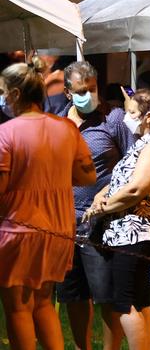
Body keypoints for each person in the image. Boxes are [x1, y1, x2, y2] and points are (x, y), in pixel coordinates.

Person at [0, 62, 96, 349]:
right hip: (58, 228)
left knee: (17, 307)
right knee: (43, 302)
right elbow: (86, 175)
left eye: (3, 91)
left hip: (18, 229)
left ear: (16, 94)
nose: (2, 97)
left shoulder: (6, 133)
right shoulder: (66, 128)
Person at [84, 88, 150, 349]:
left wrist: (102, 209)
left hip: (138, 232)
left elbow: (137, 189)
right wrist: (102, 195)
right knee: (138, 299)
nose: (126, 117)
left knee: (125, 302)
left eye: (132, 112)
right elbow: (120, 180)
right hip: (130, 232)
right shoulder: (144, 142)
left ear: (148, 117)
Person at [54, 61, 134, 350]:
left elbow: (132, 163)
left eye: (92, 89)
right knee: (72, 294)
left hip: (101, 221)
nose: (88, 95)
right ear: (66, 93)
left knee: (106, 294)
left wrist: (108, 196)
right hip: (63, 221)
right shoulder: (58, 123)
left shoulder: (113, 119)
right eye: (81, 91)